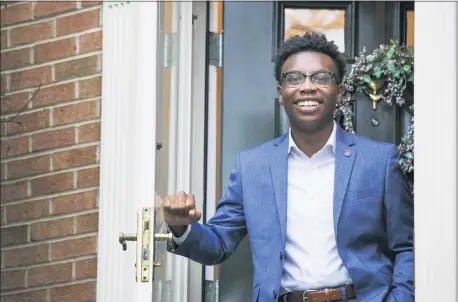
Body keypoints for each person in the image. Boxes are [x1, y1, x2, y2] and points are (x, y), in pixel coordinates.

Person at [162, 32, 414, 302]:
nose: (307, 87)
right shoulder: (252, 167)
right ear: (281, 94)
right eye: (294, 78)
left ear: (339, 92)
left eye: (321, 78)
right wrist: (180, 228)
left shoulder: (378, 160)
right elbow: (218, 245)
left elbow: (406, 247)